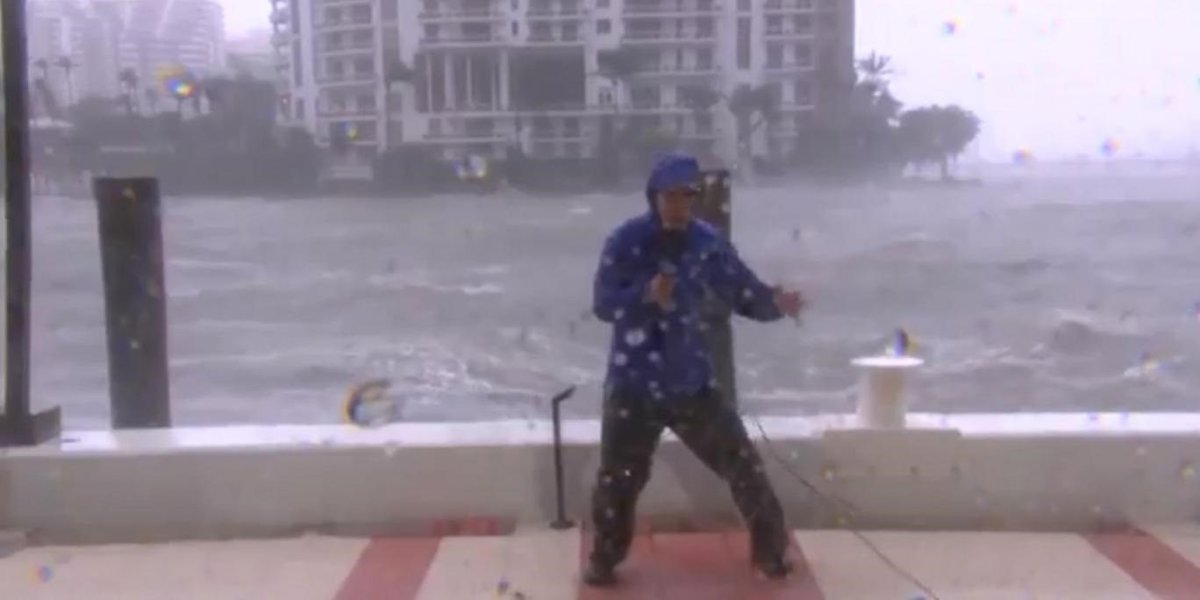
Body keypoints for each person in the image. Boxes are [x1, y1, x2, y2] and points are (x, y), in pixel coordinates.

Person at [584, 152, 806, 587]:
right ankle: (604, 558)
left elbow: (743, 292)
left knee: (743, 466)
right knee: (617, 482)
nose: (678, 205)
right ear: (653, 197)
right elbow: (604, 305)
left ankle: (771, 553)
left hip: (690, 382)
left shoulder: (708, 243)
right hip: (634, 386)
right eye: (670, 196)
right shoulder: (625, 241)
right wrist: (645, 295)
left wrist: (777, 304)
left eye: (687, 196)